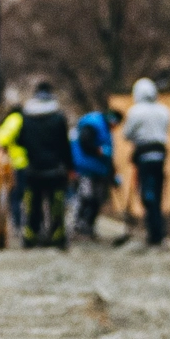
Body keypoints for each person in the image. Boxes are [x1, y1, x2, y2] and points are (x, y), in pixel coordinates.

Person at [0, 77, 73, 249]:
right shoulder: (58, 117)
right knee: (56, 205)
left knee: (32, 205)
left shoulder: (26, 117)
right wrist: (70, 167)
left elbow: (20, 141)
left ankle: (31, 236)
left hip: (32, 169)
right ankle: (57, 237)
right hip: (55, 169)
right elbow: (64, 145)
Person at [121, 77, 170, 248]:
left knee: (148, 195)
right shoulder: (164, 111)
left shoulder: (135, 111)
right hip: (160, 155)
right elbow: (166, 129)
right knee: (157, 195)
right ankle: (157, 231)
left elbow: (127, 133)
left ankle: (154, 233)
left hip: (144, 156)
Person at [69, 95, 118, 241]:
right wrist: (99, 151)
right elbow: (86, 143)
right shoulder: (93, 123)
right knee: (86, 197)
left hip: (98, 170)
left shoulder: (105, 128)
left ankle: (88, 226)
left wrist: (112, 173)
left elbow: (108, 155)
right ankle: (79, 226)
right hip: (86, 168)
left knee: (97, 199)